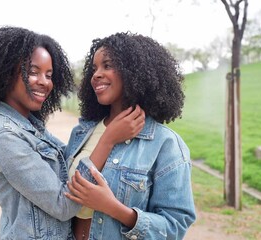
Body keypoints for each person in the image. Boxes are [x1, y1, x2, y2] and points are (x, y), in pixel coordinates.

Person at [0, 26, 145, 239]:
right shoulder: (5, 136)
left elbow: (68, 165)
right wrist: (109, 139)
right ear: (5, 74)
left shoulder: (30, 127)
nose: (44, 82)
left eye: (49, 75)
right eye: (32, 71)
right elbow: (63, 205)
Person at [64, 32, 196, 240]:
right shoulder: (81, 133)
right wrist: (108, 138)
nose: (96, 75)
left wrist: (113, 208)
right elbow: (64, 197)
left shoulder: (166, 145)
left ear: (133, 72)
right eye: (94, 68)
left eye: (107, 65)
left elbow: (175, 226)